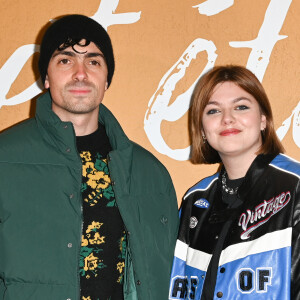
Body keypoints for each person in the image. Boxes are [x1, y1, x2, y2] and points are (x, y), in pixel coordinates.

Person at [0, 14, 179, 300]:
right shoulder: (4, 160)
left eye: (93, 61)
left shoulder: (150, 174)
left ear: (107, 79)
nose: (80, 73)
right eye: (65, 60)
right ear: (45, 76)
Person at [169, 65, 300, 299]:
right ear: (202, 129)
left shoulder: (295, 185)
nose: (227, 119)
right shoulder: (195, 199)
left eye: (241, 107)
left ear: (263, 120)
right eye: (213, 111)